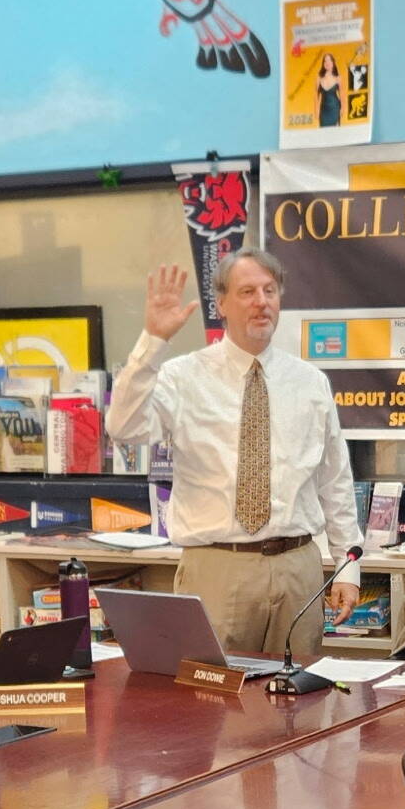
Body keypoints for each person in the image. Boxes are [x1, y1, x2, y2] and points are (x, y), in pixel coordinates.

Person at [106, 250, 361, 658]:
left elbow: (334, 479)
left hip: (299, 568)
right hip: (218, 569)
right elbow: (124, 429)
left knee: (299, 708)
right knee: (216, 704)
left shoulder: (310, 382)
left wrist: (348, 565)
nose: (262, 301)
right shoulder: (182, 376)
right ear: (221, 304)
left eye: (269, 291)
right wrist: (153, 341)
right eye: (247, 292)